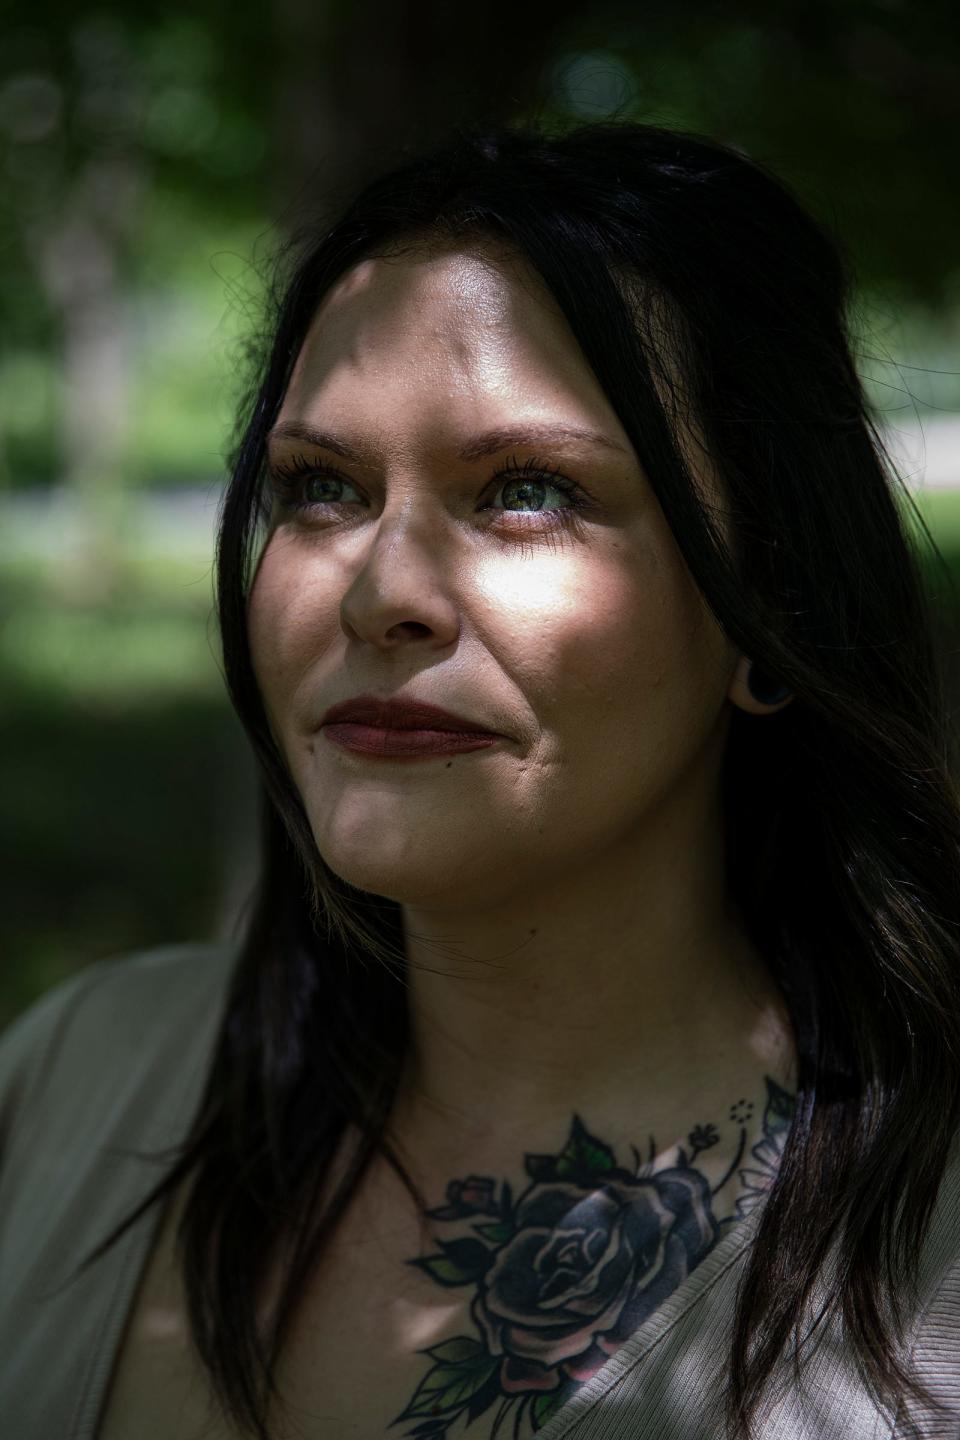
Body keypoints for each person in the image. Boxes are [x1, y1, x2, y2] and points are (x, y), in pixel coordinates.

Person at [1, 118, 959, 1440]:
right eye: (320, 489)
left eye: (525, 489)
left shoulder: (929, 1265)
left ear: (767, 610)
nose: (383, 592)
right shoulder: (77, 1080)